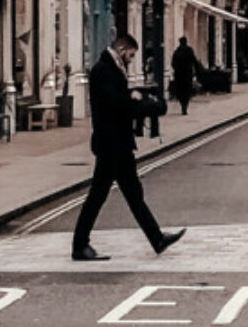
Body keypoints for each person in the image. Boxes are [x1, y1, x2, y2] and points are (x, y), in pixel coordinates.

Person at [73, 33, 184, 261]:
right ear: (122, 49)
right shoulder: (103, 69)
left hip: (118, 143)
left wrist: (134, 97)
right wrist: (141, 104)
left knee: (133, 194)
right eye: (131, 55)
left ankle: (157, 239)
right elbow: (114, 104)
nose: (131, 60)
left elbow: (117, 99)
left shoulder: (111, 68)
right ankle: (79, 244)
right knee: (99, 196)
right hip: (111, 144)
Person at [170, 37, 199, 115]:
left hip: (179, 75)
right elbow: (194, 61)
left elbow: (173, 63)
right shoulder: (189, 50)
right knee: (187, 91)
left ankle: (182, 104)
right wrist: (197, 71)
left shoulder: (177, 51)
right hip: (187, 74)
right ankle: (185, 106)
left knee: (180, 91)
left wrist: (177, 69)